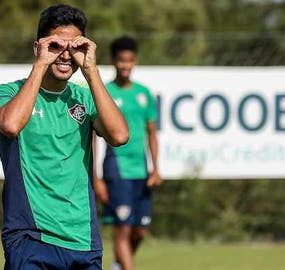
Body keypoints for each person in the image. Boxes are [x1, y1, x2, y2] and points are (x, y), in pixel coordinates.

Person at [0, 5, 129, 270]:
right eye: (55, 45)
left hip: (83, 240)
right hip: (31, 236)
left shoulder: (85, 98)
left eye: (73, 47)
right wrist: (41, 64)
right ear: (38, 47)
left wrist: (90, 70)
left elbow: (120, 135)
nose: (65, 55)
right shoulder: (8, 92)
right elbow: (10, 125)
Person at [93, 36, 162, 270]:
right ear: (113, 61)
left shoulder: (144, 94)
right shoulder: (106, 92)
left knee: (139, 231)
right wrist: (97, 177)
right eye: (121, 60)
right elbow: (93, 136)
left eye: (130, 60)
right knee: (122, 229)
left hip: (140, 169)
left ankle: (118, 265)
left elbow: (152, 133)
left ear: (135, 62)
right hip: (116, 168)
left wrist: (155, 168)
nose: (125, 65)